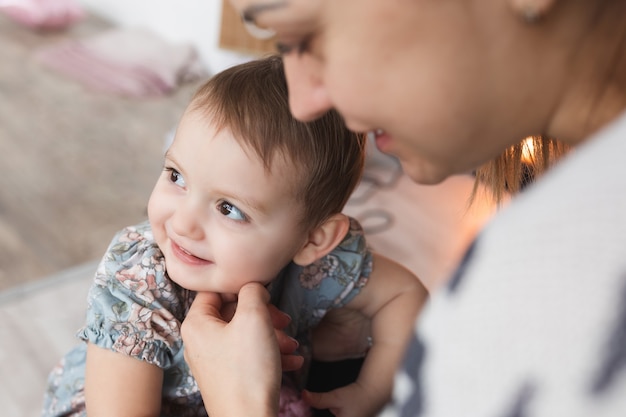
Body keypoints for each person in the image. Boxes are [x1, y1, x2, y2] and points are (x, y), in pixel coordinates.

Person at [181, 0, 626, 416]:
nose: (305, 101)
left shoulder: (569, 270)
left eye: (311, 35)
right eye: (284, 44)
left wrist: (240, 404)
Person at [41, 55, 426, 417]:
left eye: (229, 208)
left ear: (313, 240)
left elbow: (405, 294)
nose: (184, 224)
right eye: (176, 176)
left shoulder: (324, 264)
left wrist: (374, 389)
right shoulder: (138, 277)